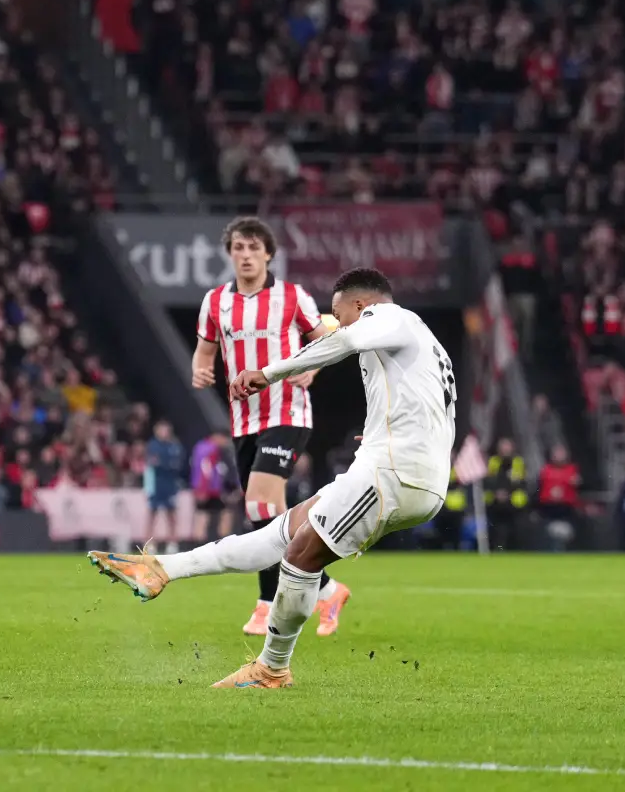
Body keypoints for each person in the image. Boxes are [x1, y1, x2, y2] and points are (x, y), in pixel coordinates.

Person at [89, 268, 455, 688]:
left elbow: (347, 340)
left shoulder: (390, 317)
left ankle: (272, 668)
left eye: (340, 315)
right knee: (281, 533)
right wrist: (386, 433)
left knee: (299, 557)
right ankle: (162, 569)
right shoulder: (424, 341)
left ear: (361, 305)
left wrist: (268, 373)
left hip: (392, 472)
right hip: (404, 470)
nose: (334, 327)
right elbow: (434, 409)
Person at [190, 215, 351, 636]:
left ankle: (266, 604)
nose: (245, 255)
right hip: (243, 419)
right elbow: (205, 351)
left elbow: (325, 339)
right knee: (264, 511)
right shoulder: (215, 302)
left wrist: (311, 371)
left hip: (287, 412)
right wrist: (200, 371)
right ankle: (326, 588)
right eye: (238, 248)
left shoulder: (291, 296)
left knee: (261, 502)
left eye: (253, 248)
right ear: (230, 254)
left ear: (268, 254)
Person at [144, 420, 185, 552]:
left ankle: (172, 543)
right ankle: (150, 543)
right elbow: (154, 463)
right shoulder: (153, 445)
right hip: (155, 485)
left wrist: (166, 465)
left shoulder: (174, 446)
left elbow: (178, 464)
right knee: (152, 514)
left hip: (170, 484)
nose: (163, 433)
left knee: (171, 514)